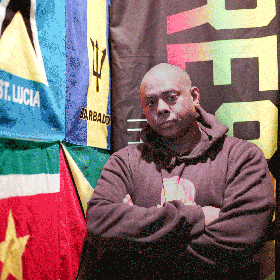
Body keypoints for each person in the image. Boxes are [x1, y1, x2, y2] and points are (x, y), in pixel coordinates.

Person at [78, 63, 274, 279]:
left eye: (171, 97)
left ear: (195, 96)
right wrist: (197, 216)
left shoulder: (241, 157)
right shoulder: (125, 161)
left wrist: (134, 245)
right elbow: (99, 222)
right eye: (150, 102)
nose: (160, 108)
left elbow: (244, 237)